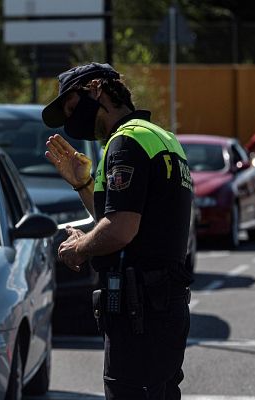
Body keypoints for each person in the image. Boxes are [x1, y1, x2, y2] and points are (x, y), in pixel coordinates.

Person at [42, 62, 193, 399]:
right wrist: (83, 183)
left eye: (71, 106)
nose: (71, 120)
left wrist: (77, 249)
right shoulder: (160, 137)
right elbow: (122, 219)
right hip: (163, 306)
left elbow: (121, 229)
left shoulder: (125, 142)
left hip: (140, 311)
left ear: (96, 89)